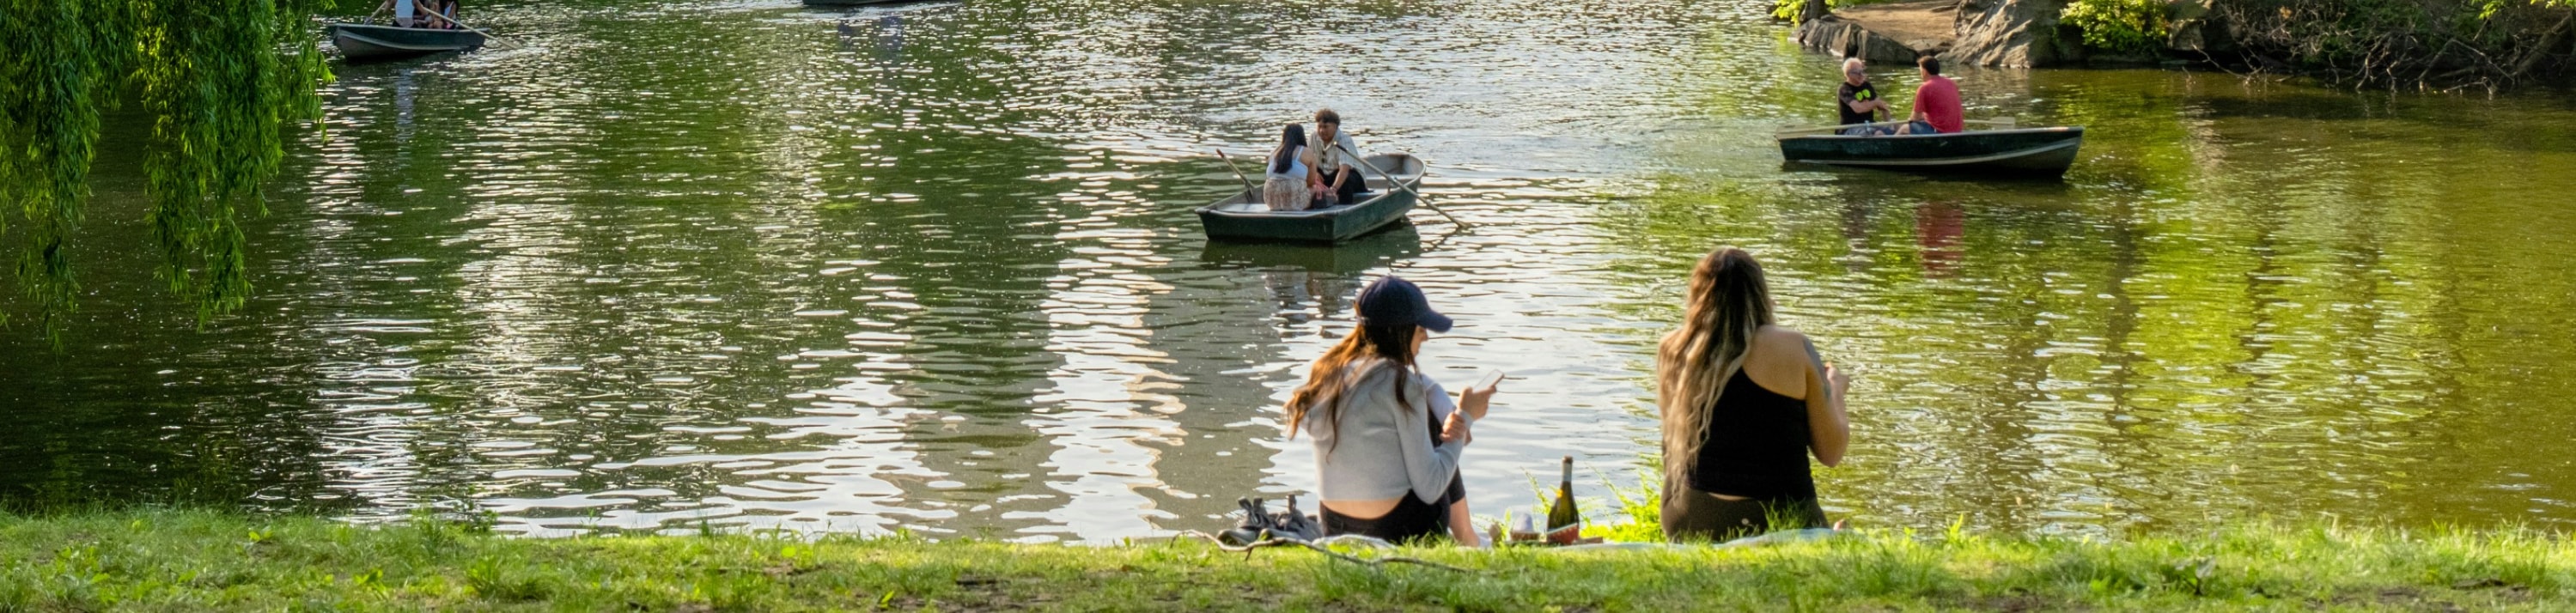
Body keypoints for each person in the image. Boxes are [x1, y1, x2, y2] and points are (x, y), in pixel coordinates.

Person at [1655, 247, 1851, 543]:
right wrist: (1835, 390)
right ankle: (1830, 537)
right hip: (1783, 518)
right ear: (1760, 294)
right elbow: (1831, 452)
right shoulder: (1793, 346)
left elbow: (1670, 451)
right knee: (1831, 534)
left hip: (1690, 520)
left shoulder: (1673, 348)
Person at [1287, 276, 1497, 544]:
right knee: (1434, 429)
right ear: (1401, 331)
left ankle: (1469, 538)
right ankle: (1469, 539)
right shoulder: (1402, 387)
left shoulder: (1327, 376)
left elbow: (1418, 386)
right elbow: (1431, 488)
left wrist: (1448, 408)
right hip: (1399, 527)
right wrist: (1464, 417)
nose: (1426, 336)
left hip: (1336, 525)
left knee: (1424, 418)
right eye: (1420, 327)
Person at [1307, 109, 1367, 207]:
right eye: (1319, 127)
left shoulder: (1344, 140)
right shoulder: (1313, 137)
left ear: (1335, 127)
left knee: (1345, 181)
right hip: (1326, 173)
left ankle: (1345, 209)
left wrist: (1333, 189)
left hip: (1349, 176)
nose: (1322, 131)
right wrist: (1314, 173)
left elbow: (1344, 169)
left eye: (1326, 127)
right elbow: (1308, 160)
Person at [1262, 124, 1326, 211]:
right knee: (1316, 190)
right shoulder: (1307, 152)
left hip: (1271, 202)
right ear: (1302, 136)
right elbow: (1310, 182)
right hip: (1295, 203)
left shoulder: (1275, 152)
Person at [1896, 56, 1964, 135]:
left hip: (1939, 132)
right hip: (1957, 130)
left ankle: (1890, 144)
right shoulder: (1951, 83)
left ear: (1924, 71)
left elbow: (1915, 118)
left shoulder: (1925, 88)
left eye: (1920, 69)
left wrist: (1911, 120)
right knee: (1915, 124)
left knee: (1904, 128)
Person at [1836, 58, 1891, 136]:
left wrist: (1890, 123)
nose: (1861, 75)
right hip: (1851, 128)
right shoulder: (1844, 89)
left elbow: (1881, 106)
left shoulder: (1867, 85)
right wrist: (1874, 103)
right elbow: (1859, 109)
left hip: (1870, 124)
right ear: (1849, 74)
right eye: (1858, 73)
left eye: (1862, 71)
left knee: (1896, 129)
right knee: (1878, 134)